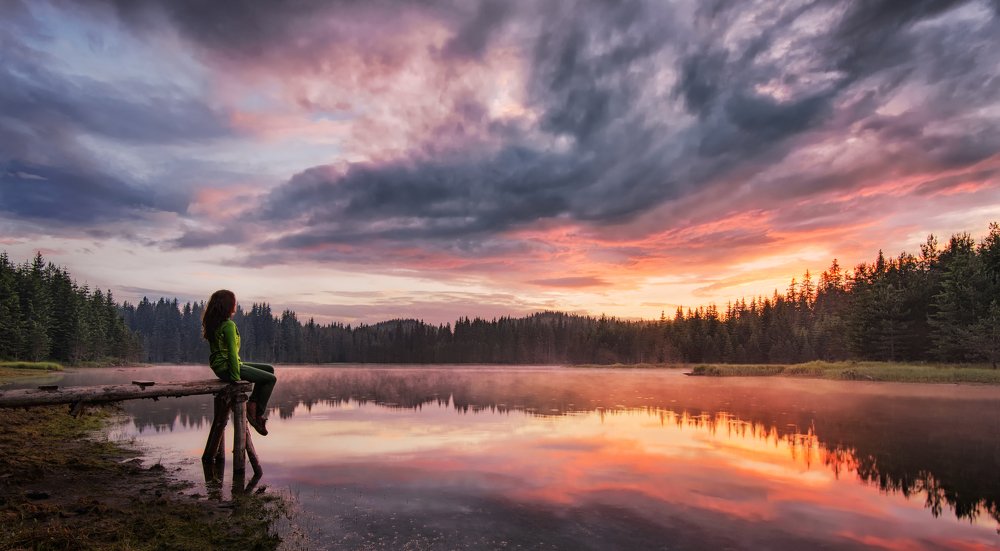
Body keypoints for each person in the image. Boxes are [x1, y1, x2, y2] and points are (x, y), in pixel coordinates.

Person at [202, 289, 275, 436]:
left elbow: (229, 354)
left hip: (222, 367)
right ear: (228, 305)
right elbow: (232, 354)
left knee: (269, 369)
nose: (236, 304)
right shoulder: (228, 325)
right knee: (271, 379)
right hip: (228, 367)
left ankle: (253, 404)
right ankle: (256, 413)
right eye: (234, 301)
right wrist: (236, 378)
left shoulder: (216, 324)